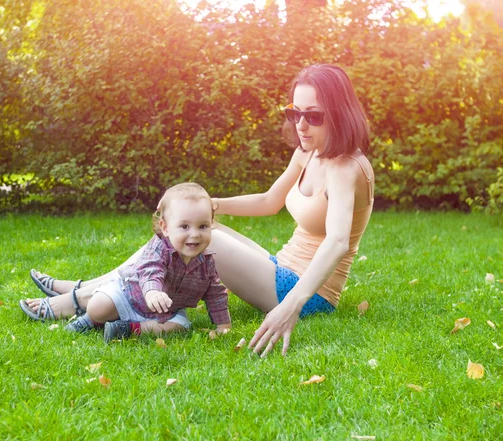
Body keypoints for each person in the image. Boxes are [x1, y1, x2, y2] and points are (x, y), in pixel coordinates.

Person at [21, 63, 374, 356]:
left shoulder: (346, 168)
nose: (300, 124)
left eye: (312, 115)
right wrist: (213, 206)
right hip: (279, 267)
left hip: (308, 292)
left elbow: (338, 241)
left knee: (196, 239)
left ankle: (78, 297)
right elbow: (270, 201)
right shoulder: (308, 152)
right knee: (197, 229)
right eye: (294, 112)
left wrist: (291, 305)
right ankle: (87, 290)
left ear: (339, 114)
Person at [20, 182, 232, 342]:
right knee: (98, 307)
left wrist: (223, 325)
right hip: (130, 296)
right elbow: (151, 271)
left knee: (179, 327)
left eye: (202, 226)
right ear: (165, 227)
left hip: (168, 311)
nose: (194, 235)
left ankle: (126, 329)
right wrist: (152, 291)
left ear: (211, 225)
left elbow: (215, 292)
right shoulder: (159, 248)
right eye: (184, 227)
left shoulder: (207, 262)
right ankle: (90, 319)